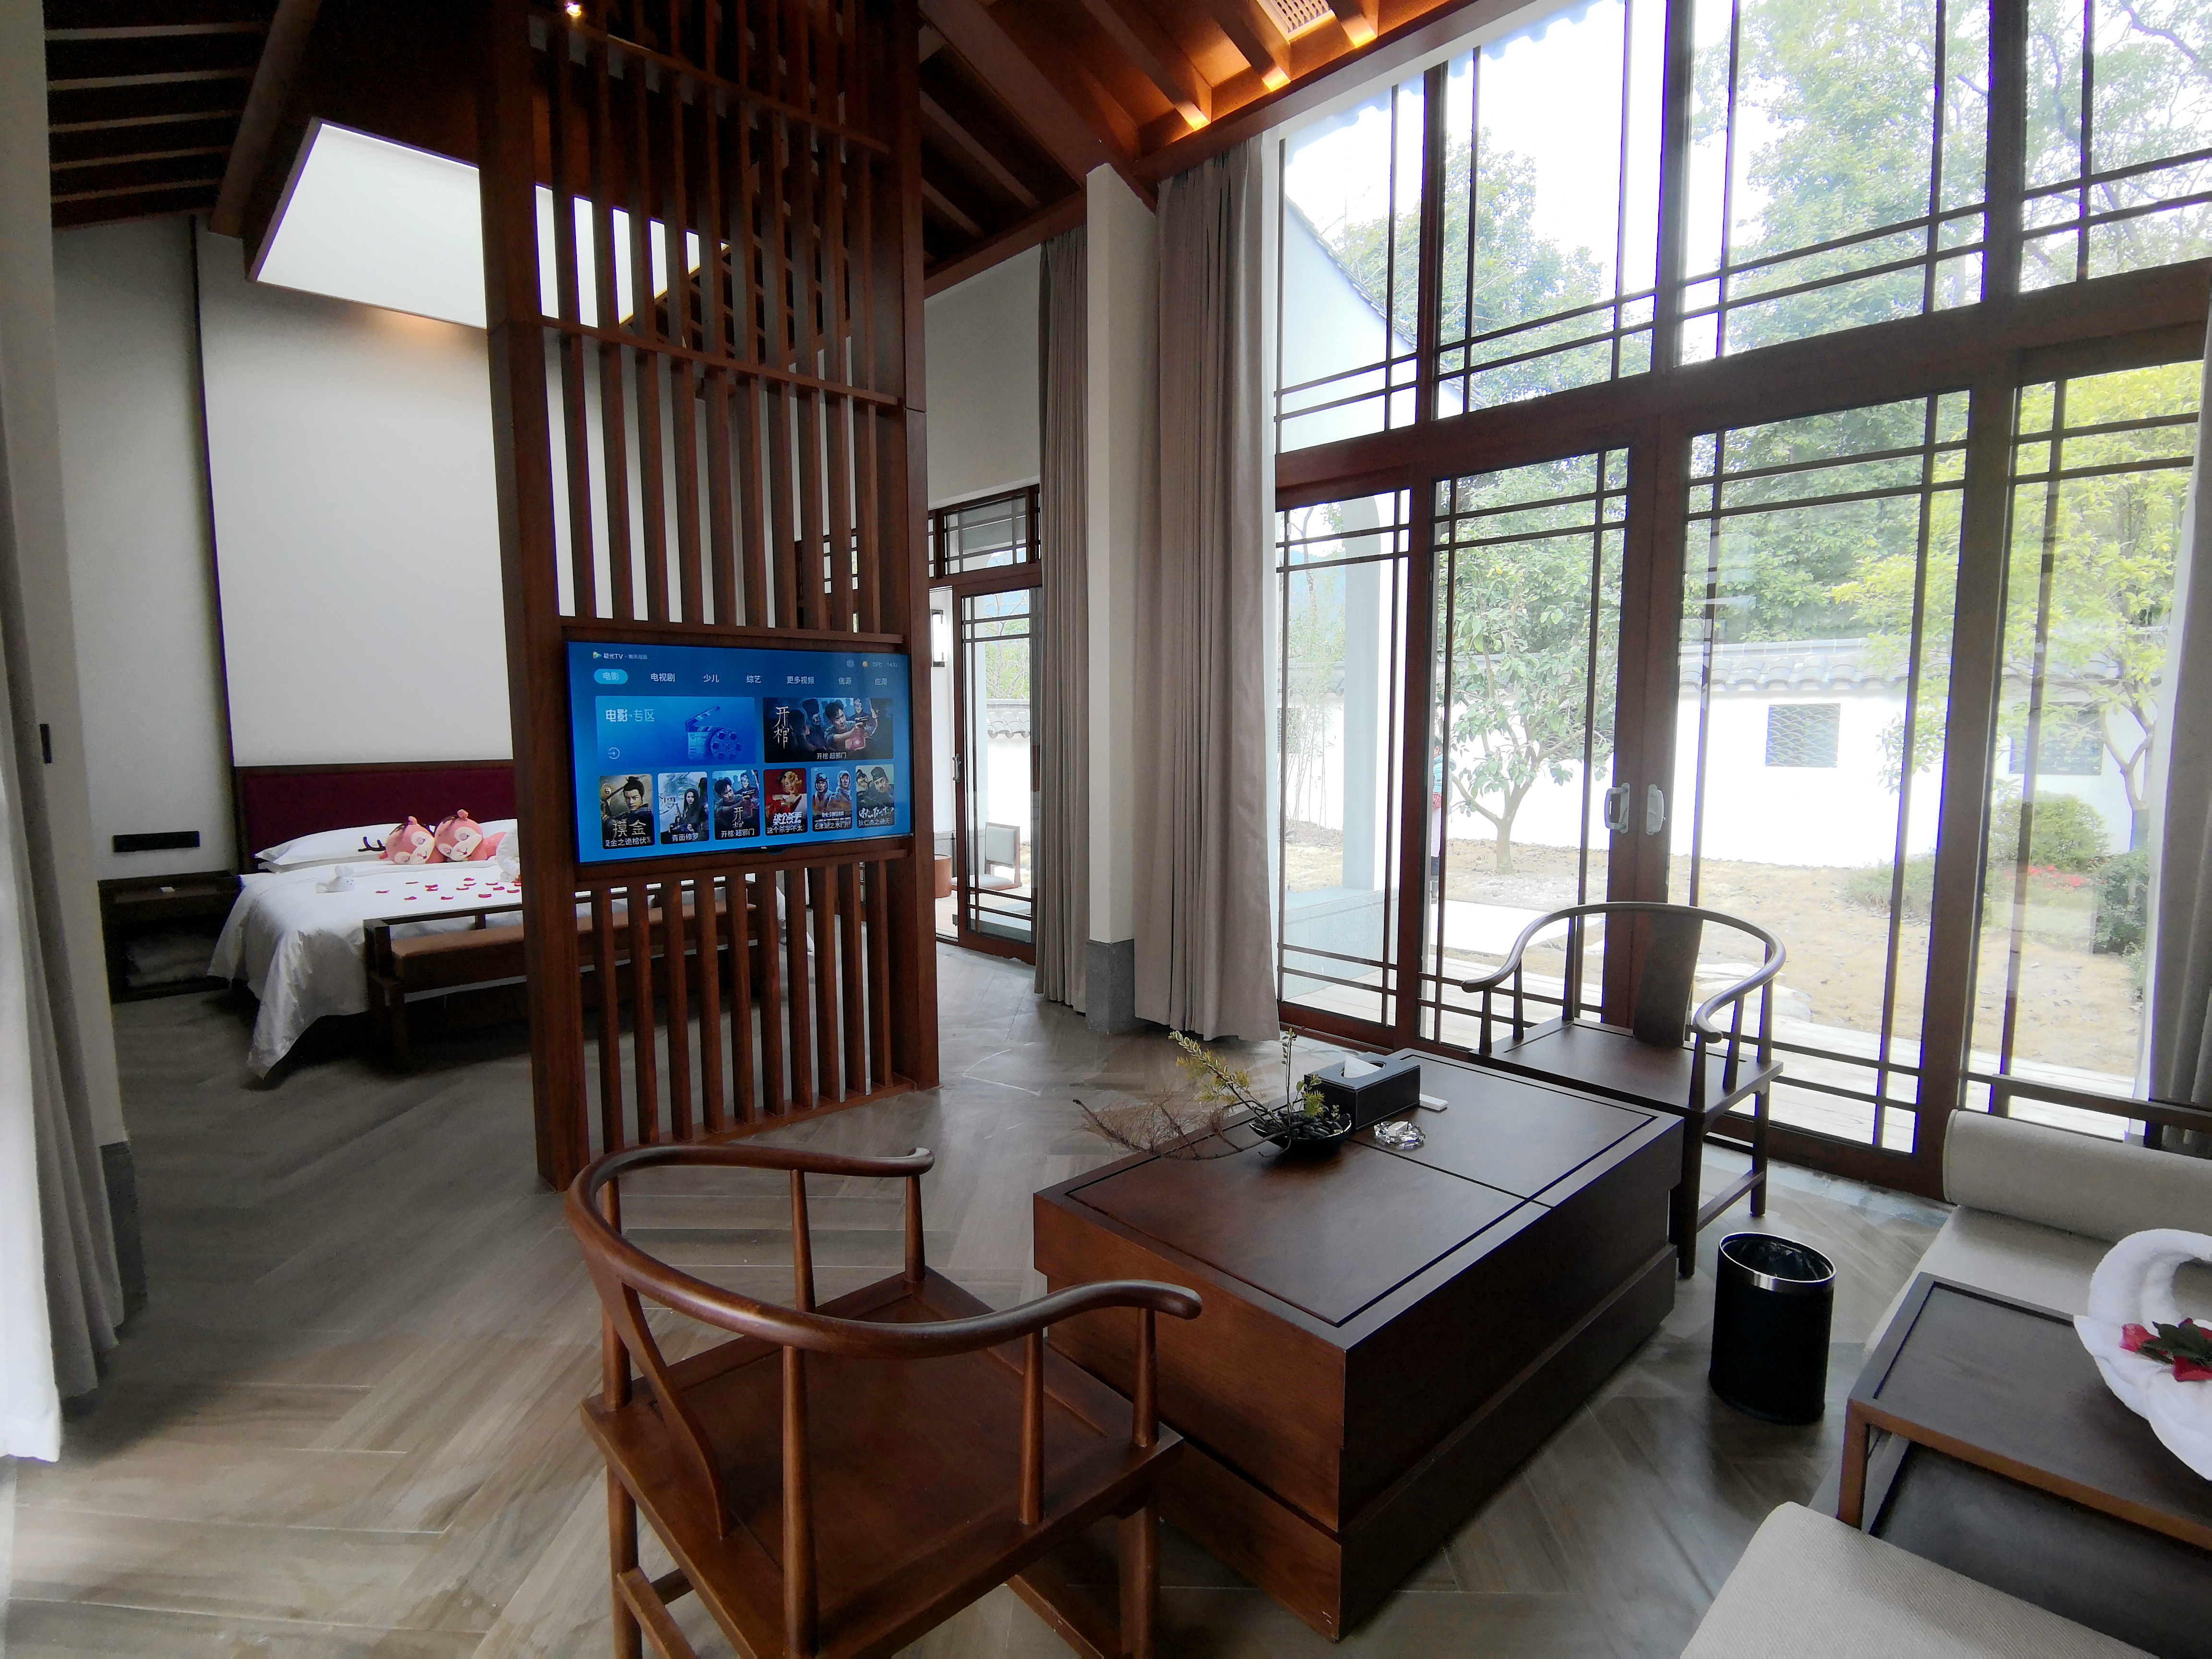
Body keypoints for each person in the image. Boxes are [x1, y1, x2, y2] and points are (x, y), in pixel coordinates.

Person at [602, 776, 652, 846]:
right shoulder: (627, 815)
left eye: (635, 798)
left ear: (642, 798)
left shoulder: (646, 815)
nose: (631, 802)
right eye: (628, 798)